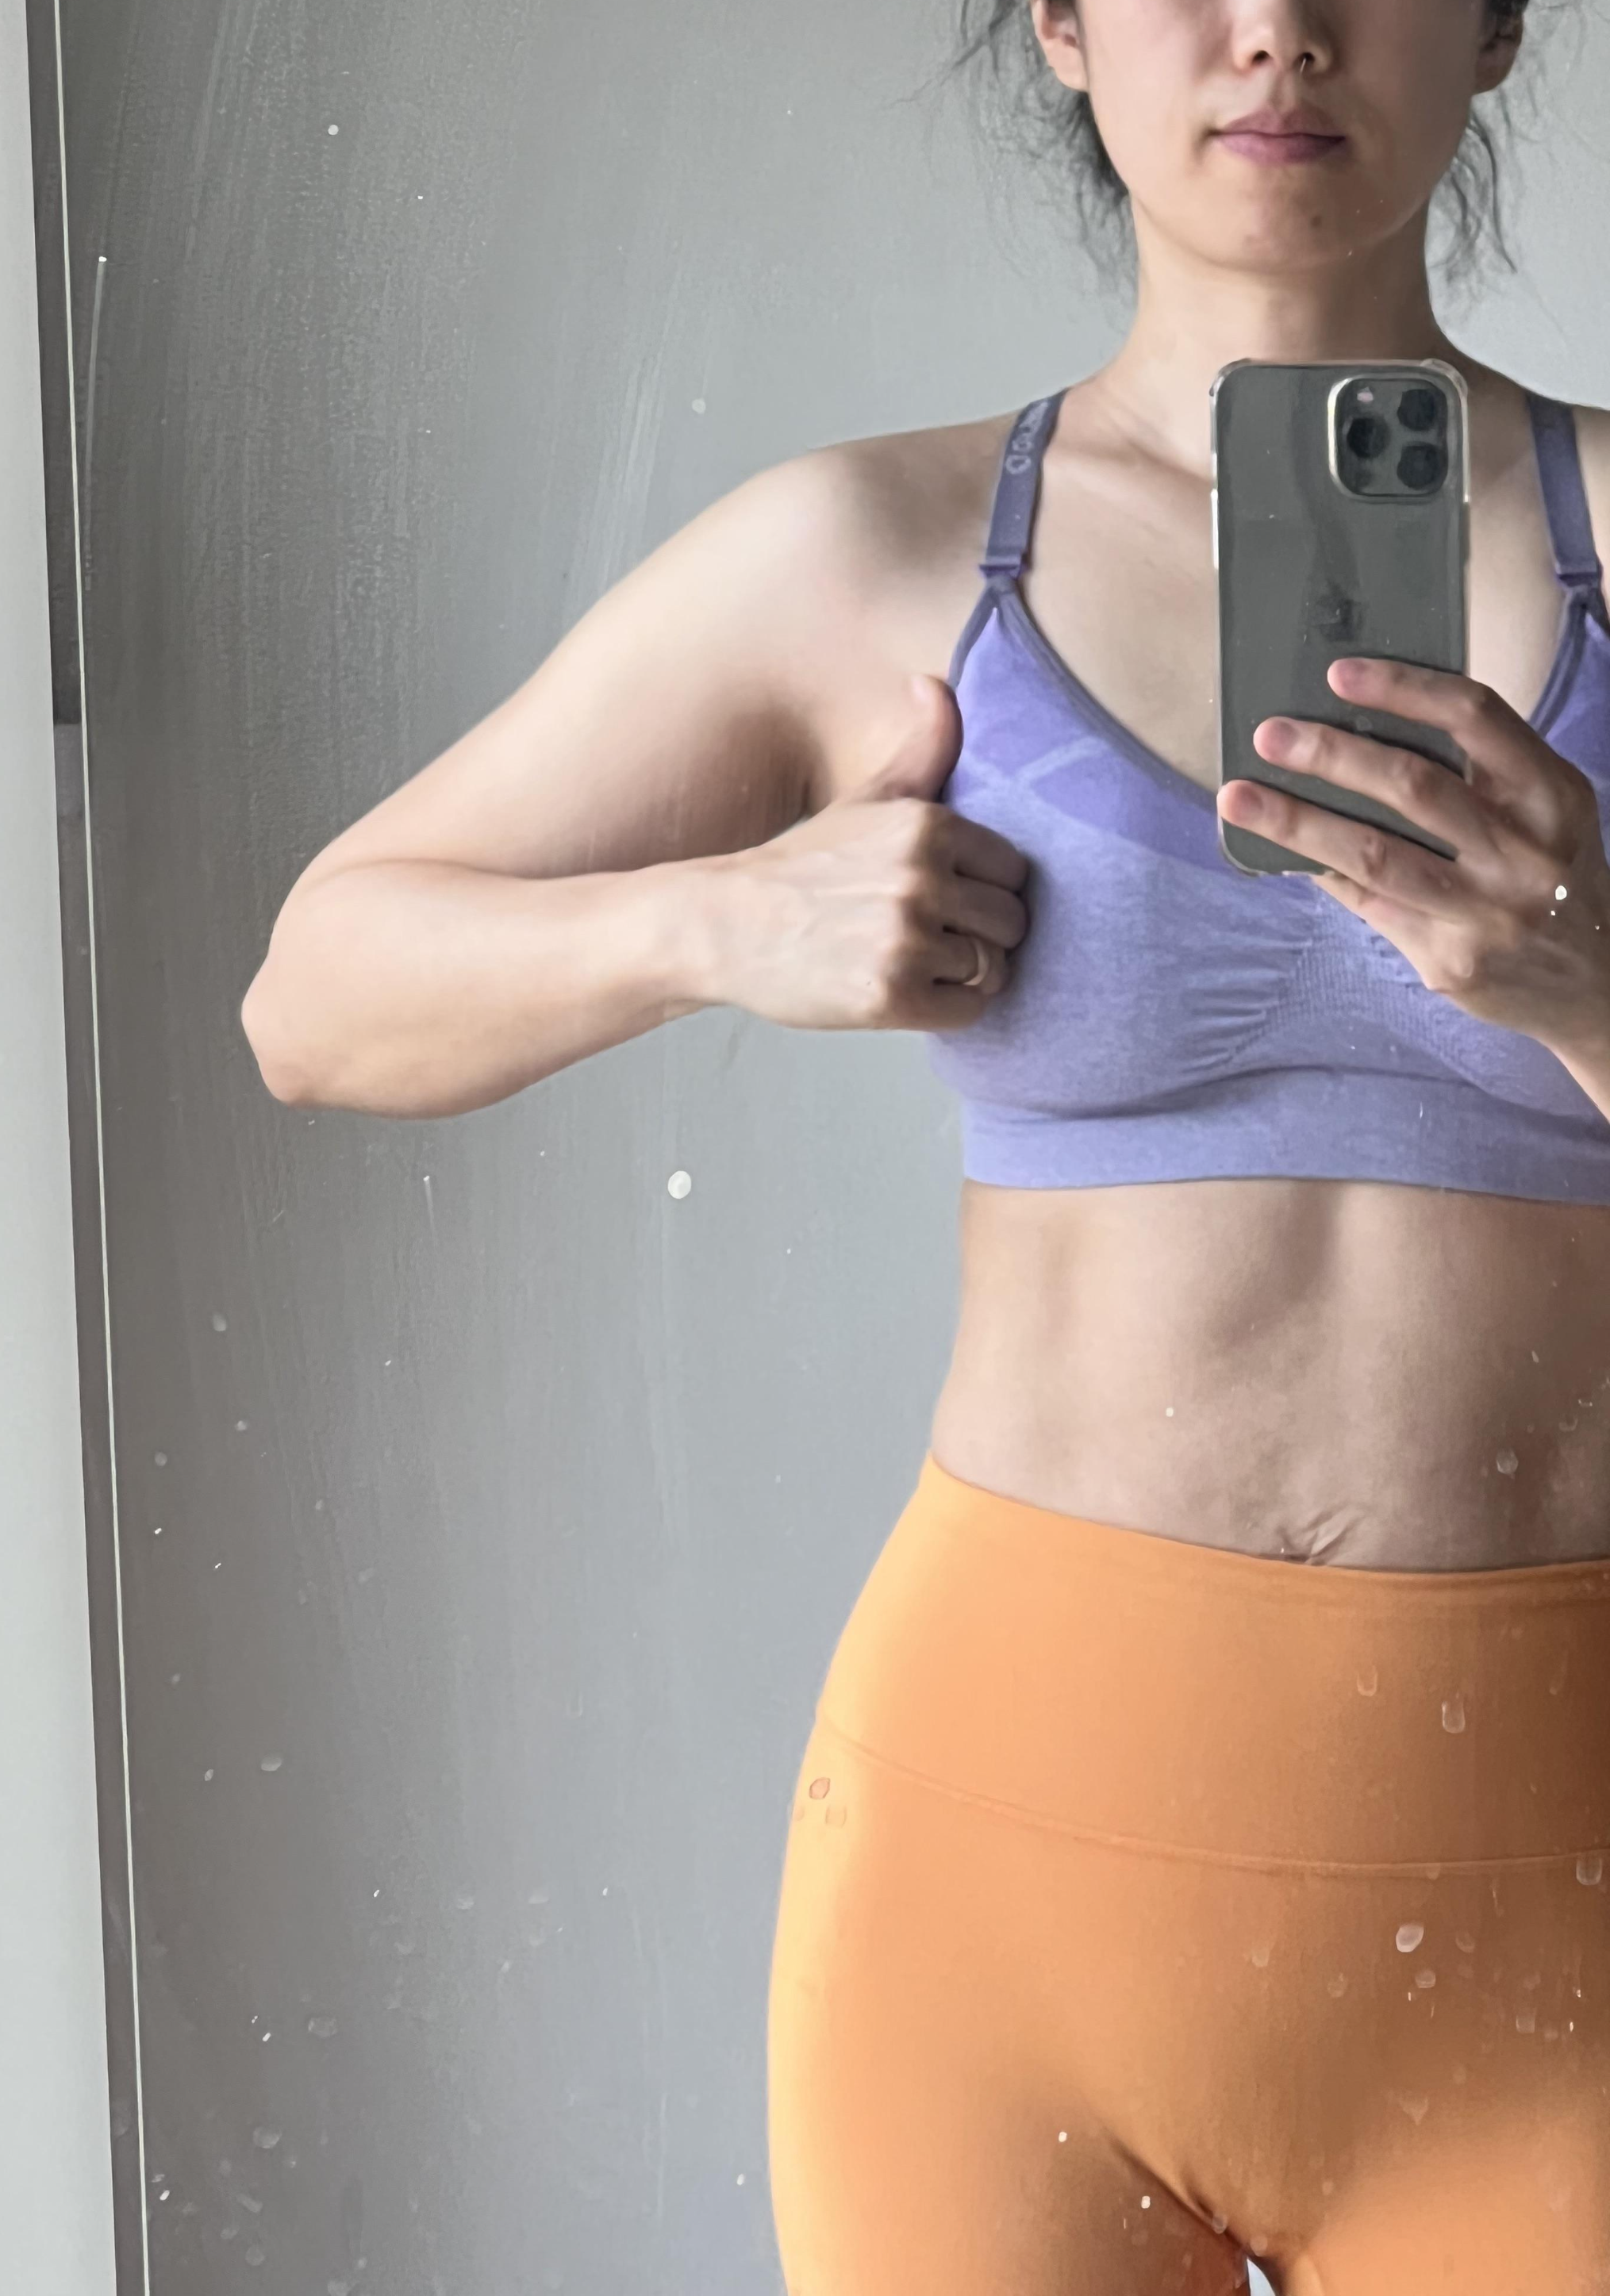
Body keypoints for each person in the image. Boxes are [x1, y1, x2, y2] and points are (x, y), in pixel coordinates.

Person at [242, 2, 1610, 2286]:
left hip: (1554, 1893)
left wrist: (1587, 983)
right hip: (998, 1890)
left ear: (1489, 25)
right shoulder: (871, 554)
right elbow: (314, 995)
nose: (1275, 33)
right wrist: (720, 919)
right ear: (1062, 23)